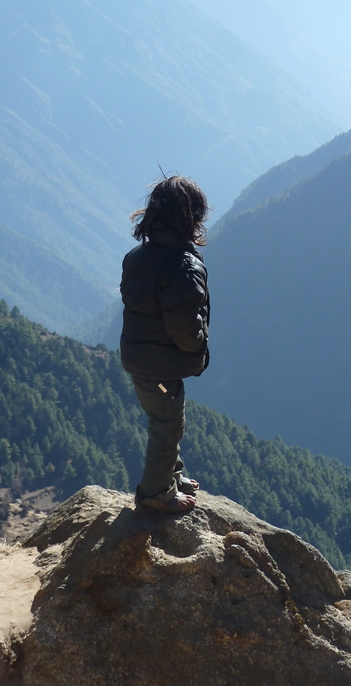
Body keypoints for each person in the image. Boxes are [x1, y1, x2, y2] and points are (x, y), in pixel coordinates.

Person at [119, 176, 210, 513]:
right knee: (167, 424)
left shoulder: (137, 256)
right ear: (191, 218)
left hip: (138, 355)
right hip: (160, 362)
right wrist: (198, 342)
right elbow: (184, 328)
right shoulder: (183, 268)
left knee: (168, 418)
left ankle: (173, 476)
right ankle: (156, 494)